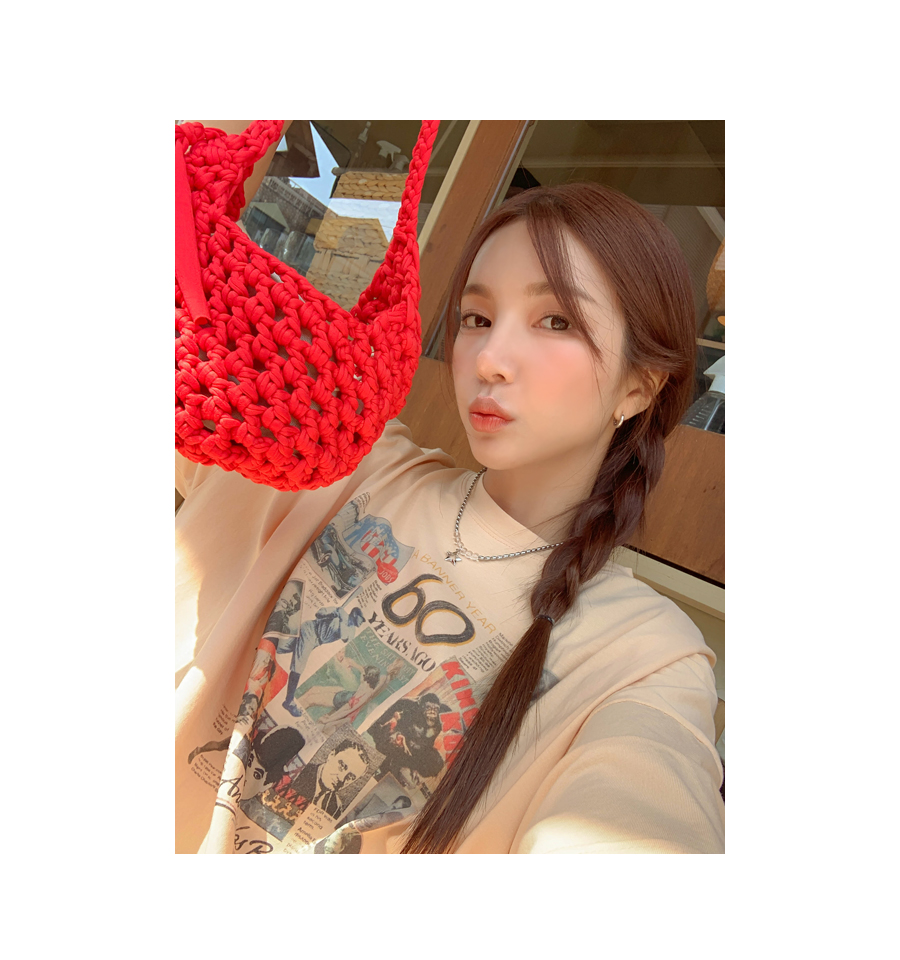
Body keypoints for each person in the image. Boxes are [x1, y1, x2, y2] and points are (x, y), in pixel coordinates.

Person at [175, 181, 725, 854]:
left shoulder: (644, 657)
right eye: (476, 318)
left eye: (556, 321)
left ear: (639, 386)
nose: (488, 361)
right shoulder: (348, 459)